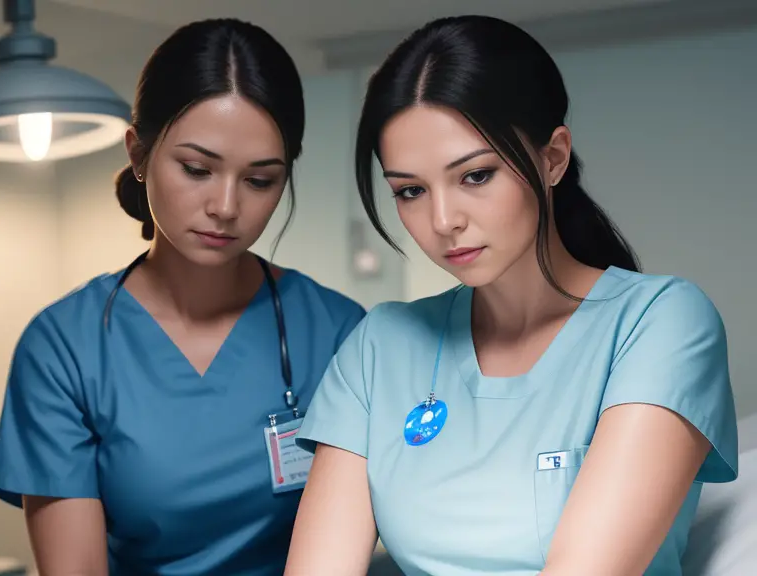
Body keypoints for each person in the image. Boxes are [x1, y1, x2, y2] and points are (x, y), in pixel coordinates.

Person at [285, 15, 738, 576]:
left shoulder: (660, 323)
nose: (443, 220)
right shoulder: (380, 346)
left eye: (475, 175)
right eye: (410, 191)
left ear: (553, 159)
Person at [0, 18, 365, 576]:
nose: (226, 206)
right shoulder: (65, 347)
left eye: (260, 180)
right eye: (197, 169)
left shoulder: (339, 333)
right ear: (139, 155)